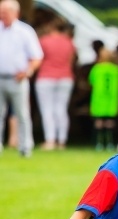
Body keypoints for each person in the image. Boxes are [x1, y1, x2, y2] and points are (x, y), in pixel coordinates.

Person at [0, 0, 43, 157]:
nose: (2, 14)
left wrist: (27, 71)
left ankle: (25, 147)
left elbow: (37, 56)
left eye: (5, 12)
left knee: (22, 114)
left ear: (15, 13)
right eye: (1, 11)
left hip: (17, 78)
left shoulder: (25, 31)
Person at [35, 20, 76, 150]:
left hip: (46, 77)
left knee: (47, 110)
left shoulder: (44, 40)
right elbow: (71, 61)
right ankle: (62, 141)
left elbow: (38, 58)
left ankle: (50, 140)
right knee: (61, 110)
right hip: (65, 77)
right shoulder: (69, 42)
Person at [88, 43, 118, 151]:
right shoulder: (116, 70)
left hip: (99, 100)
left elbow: (91, 81)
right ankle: (110, 143)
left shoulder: (96, 69)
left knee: (99, 122)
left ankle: (98, 143)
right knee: (110, 122)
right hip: (111, 101)